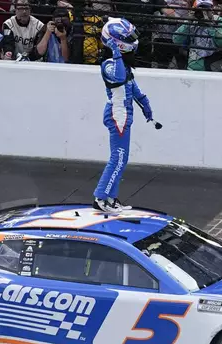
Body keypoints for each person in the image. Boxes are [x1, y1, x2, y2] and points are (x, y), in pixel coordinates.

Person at [92, 18, 155, 213]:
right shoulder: (109, 64)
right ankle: (100, 198)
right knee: (117, 158)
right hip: (117, 115)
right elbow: (119, 79)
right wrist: (117, 52)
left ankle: (111, 198)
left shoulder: (123, 65)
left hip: (125, 115)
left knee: (122, 159)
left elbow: (133, 88)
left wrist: (146, 106)